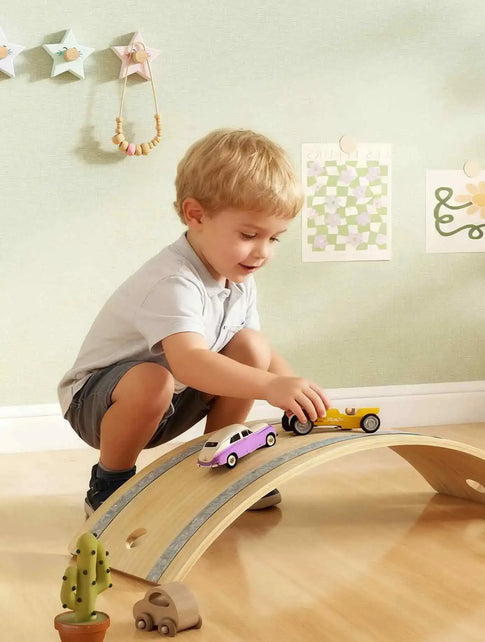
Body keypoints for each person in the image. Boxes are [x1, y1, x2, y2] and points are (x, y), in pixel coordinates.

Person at [58, 128, 329, 515]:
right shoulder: (173, 280)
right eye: (250, 234)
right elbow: (189, 362)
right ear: (196, 214)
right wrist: (271, 386)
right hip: (98, 405)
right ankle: (109, 482)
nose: (262, 252)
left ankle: (220, 463)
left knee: (252, 346)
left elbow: (258, 355)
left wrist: (297, 395)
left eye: (274, 239)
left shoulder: (235, 275)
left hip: (175, 398)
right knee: (155, 379)